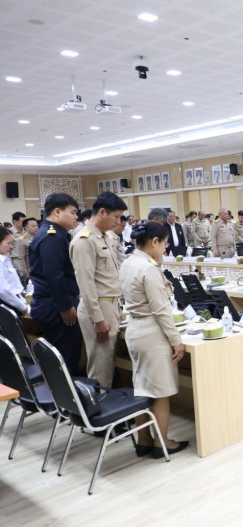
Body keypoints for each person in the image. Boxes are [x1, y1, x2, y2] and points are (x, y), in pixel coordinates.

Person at [119, 222, 188, 458]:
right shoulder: (148, 269)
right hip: (152, 333)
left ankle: (144, 440)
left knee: (143, 387)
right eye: (164, 243)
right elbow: (161, 310)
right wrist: (176, 340)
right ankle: (162, 442)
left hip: (135, 329)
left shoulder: (129, 261)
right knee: (160, 391)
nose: (166, 248)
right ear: (154, 241)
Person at [69, 191, 128, 387]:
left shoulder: (106, 237)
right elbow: (86, 284)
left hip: (110, 305)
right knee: (100, 365)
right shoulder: (84, 240)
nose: (118, 222)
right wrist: (98, 318)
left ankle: (106, 401)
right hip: (98, 307)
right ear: (102, 212)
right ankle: (99, 403)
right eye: (116, 217)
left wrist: (117, 307)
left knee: (108, 361)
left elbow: (111, 275)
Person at [28, 193, 82, 373]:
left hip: (52, 302)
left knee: (65, 353)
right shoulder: (52, 236)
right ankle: (67, 390)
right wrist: (65, 306)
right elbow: (54, 275)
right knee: (66, 358)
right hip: (55, 305)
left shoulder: (55, 233)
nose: (76, 217)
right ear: (57, 212)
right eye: (73, 212)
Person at [0, 227, 28, 315]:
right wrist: (22, 307)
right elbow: (3, 290)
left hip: (13, 302)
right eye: (8, 243)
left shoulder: (4, 259)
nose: (11, 246)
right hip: (7, 305)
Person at [12, 217, 38, 285]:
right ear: (26, 228)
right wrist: (25, 273)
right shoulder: (22, 239)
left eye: (36, 226)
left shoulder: (38, 237)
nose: (36, 227)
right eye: (33, 226)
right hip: (31, 270)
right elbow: (21, 258)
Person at [9, 212, 26, 281]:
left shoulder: (26, 231)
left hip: (26, 259)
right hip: (17, 260)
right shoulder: (9, 232)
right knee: (21, 280)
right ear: (14, 221)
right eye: (22, 221)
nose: (24, 223)